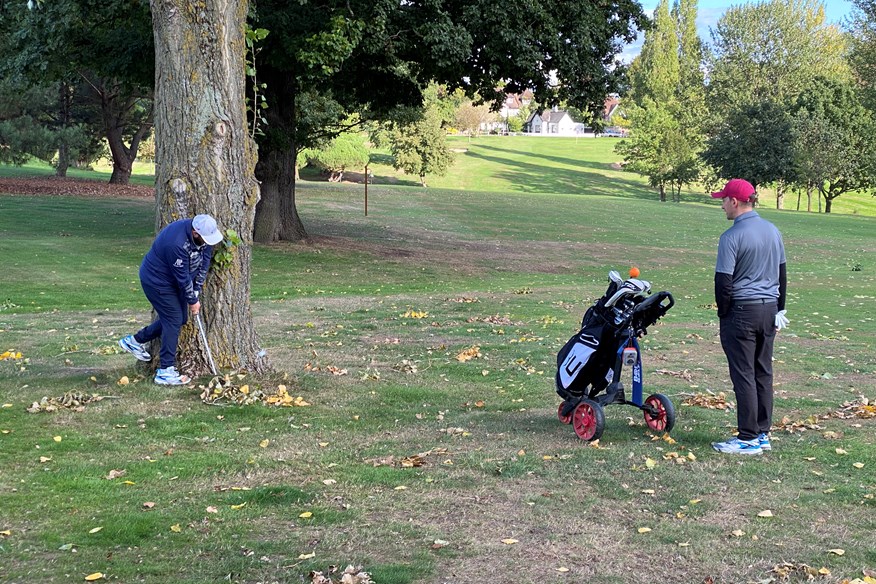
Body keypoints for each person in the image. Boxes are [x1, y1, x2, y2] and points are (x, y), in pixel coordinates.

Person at [710, 179, 788, 455]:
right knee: (762, 372)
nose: (722, 206)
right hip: (769, 309)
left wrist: (723, 314)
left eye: (723, 200)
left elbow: (724, 283)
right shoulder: (772, 230)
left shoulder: (731, 237)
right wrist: (780, 309)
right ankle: (762, 433)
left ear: (734, 201)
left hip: (742, 310)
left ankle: (747, 438)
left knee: (743, 374)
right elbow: (781, 274)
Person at [118, 214, 223, 385]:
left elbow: (204, 262)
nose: (207, 242)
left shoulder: (204, 237)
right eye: (205, 238)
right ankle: (165, 371)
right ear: (195, 232)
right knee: (173, 320)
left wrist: (196, 291)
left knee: (179, 319)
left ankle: (134, 341)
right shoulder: (175, 242)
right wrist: (193, 300)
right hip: (157, 281)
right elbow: (182, 278)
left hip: (174, 281)